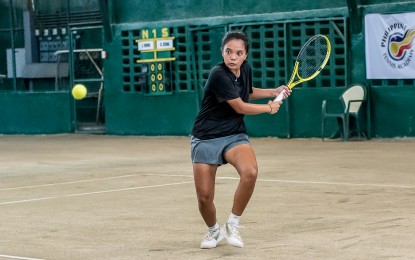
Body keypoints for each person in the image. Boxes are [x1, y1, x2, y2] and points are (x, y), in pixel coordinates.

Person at [190, 31, 291, 249]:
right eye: (228, 51)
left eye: (238, 53)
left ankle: (233, 224)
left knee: (250, 172)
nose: (233, 57)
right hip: (205, 137)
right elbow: (240, 106)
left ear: (245, 56)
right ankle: (214, 232)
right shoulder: (218, 74)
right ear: (222, 52)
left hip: (233, 135)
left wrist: (273, 91)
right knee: (205, 197)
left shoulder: (244, 69)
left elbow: (246, 92)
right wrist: (269, 107)